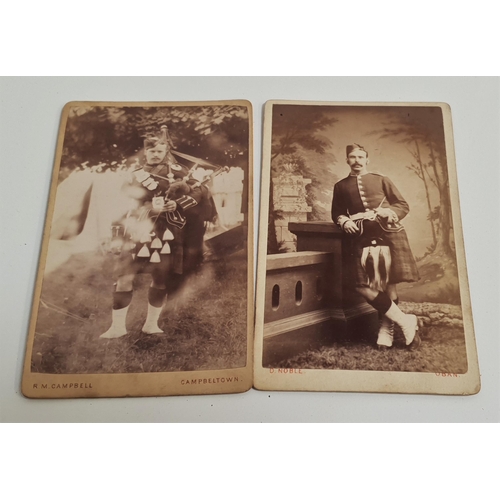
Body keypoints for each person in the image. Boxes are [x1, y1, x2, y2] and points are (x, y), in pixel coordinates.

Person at [101, 126, 216, 339]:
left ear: (165, 152)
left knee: (160, 278)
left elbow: (201, 190)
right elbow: (122, 203)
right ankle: (117, 327)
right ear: (145, 152)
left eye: (160, 151)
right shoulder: (134, 176)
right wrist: (146, 209)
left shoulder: (178, 173)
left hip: (167, 233)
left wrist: (178, 204)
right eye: (151, 151)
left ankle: (151, 325)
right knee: (125, 276)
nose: (155, 154)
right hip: (136, 231)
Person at [331, 143, 421, 349]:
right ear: (347, 160)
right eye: (352, 157)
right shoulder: (340, 186)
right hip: (359, 238)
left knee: (389, 283)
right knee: (360, 285)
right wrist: (345, 221)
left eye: (361, 157)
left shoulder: (381, 180)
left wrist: (389, 212)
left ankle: (386, 329)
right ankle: (406, 321)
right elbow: (337, 212)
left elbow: (402, 205)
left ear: (367, 159)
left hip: (388, 234)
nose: (357, 161)